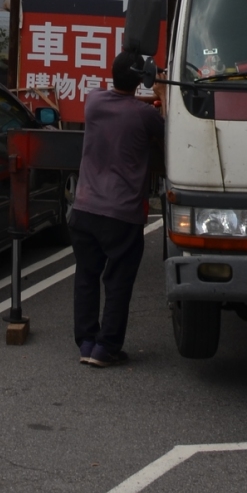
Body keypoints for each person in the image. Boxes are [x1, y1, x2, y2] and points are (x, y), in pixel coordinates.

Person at [69, 47, 164, 367]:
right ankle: (106, 347)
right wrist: (161, 89)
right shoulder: (145, 115)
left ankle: (86, 341)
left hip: (84, 208)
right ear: (141, 81)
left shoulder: (94, 102)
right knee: (118, 281)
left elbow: (122, 103)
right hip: (121, 214)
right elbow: (165, 128)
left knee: (86, 276)